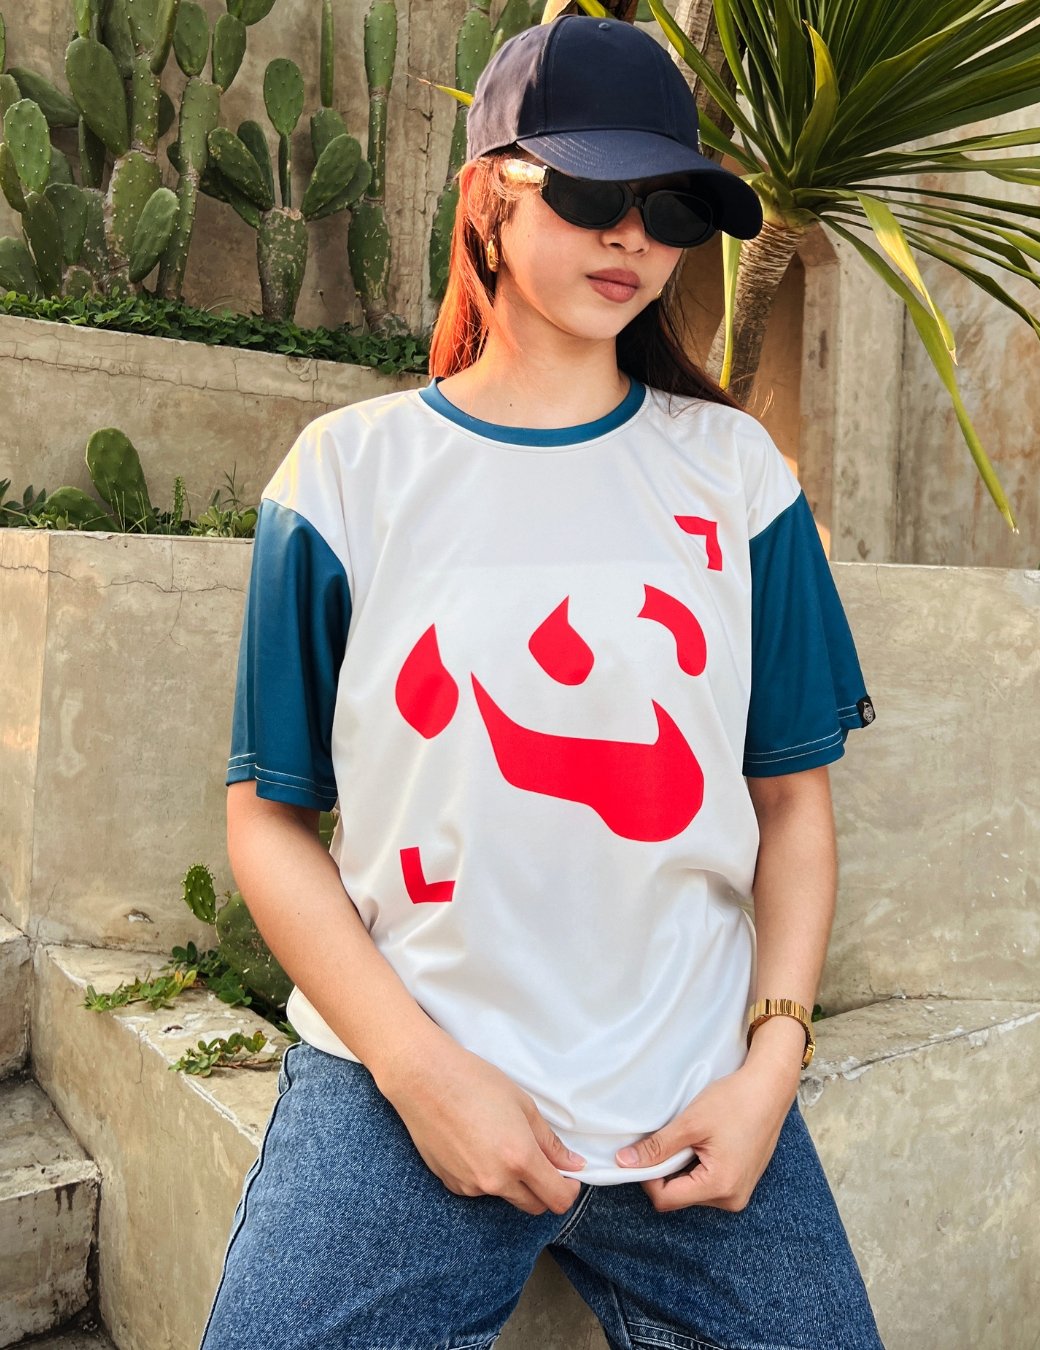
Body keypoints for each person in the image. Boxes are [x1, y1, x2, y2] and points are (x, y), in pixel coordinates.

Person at [200, 14, 883, 1350]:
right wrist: (420, 1073)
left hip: (690, 1103)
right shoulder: (345, 476)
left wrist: (771, 1062)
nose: (631, 236)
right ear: (491, 200)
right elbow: (268, 818)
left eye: (670, 207)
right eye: (587, 193)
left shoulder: (736, 476)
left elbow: (792, 804)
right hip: (405, 1091)